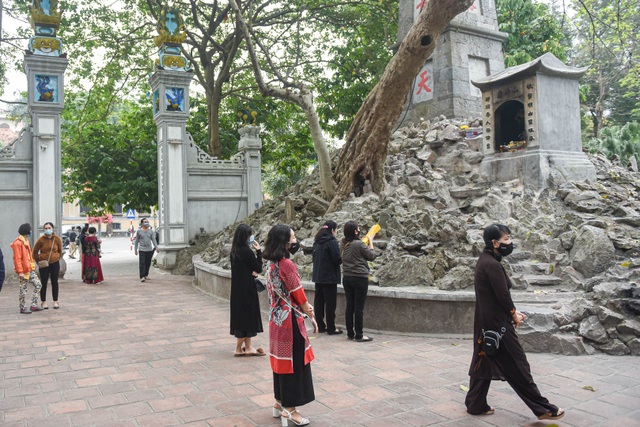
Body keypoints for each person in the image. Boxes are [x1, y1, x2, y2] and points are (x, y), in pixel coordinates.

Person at [465, 224, 565, 421]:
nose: (510, 243)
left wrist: (512, 312)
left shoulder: (485, 261)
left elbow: (494, 296)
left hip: (486, 323)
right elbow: (502, 296)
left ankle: (475, 404)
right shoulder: (492, 265)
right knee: (519, 366)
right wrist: (513, 314)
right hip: (497, 327)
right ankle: (543, 408)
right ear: (494, 243)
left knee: (483, 362)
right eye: (506, 239)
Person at [263, 224, 316, 426]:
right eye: (293, 238)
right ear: (284, 242)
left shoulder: (271, 264)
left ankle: (278, 403)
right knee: (294, 364)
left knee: (281, 362)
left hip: (276, 320)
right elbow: (298, 292)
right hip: (290, 322)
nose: (295, 241)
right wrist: (309, 310)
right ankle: (291, 410)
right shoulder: (287, 265)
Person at [229, 224, 265, 356]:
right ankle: (238, 348)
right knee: (247, 318)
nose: (251, 237)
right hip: (247, 289)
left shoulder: (234, 251)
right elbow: (258, 267)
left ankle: (248, 347)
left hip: (237, 289)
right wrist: (259, 252)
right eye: (250, 235)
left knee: (242, 317)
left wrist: (253, 271)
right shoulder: (246, 252)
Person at [341, 220, 377, 342]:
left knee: (349, 306)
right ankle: (359, 335)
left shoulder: (343, 243)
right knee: (359, 308)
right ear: (355, 231)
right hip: (360, 278)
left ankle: (350, 333)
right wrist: (370, 241)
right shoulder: (359, 244)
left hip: (346, 277)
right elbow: (371, 256)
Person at [311, 220, 342, 335]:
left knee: (319, 302)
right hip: (329, 278)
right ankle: (331, 328)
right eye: (336, 229)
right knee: (330, 304)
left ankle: (320, 325)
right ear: (332, 230)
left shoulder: (317, 241)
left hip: (318, 276)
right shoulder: (332, 241)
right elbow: (337, 259)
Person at [10, 223, 43, 314]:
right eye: (30, 229)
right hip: (23, 270)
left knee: (38, 285)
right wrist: (20, 271)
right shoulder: (17, 243)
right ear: (27, 230)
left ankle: (34, 305)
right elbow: (17, 259)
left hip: (29, 268)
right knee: (23, 289)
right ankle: (23, 307)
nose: (31, 231)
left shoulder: (26, 240)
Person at [32, 222, 63, 310]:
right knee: (44, 283)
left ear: (52, 228)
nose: (47, 229)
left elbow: (60, 251)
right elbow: (34, 252)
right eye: (45, 228)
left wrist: (57, 258)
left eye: (49, 228)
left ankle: (55, 301)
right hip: (44, 264)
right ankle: (43, 302)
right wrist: (39, 261)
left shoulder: (57, 239)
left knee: (55, 282)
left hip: (55, 263)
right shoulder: (41, 240)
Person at [134, 218, 159, 282]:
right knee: (142, 263)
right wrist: (135, 249)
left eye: (147, 222)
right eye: (145, 222)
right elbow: (136, 241)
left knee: (148, 263)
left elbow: (153, 240)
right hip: (142, 250)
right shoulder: (139, 231)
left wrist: (156, 247)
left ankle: (146, 275)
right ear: (142, 223)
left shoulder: (151, 231)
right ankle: (142, 276)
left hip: (149, 250)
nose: (146, 223)